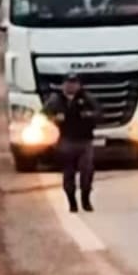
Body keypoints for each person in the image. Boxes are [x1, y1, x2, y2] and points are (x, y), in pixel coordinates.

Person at [43, 73, 101, 213]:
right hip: (66, 141)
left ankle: (85, 198)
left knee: (86, 170)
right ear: (64, 85)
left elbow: (99, 112)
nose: (72, 86)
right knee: (68, 173)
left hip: (84, 140)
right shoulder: (56, 100)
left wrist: (88, 116)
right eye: (69, 83)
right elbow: (44, 113)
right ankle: (72, 202)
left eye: (74, 83)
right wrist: (55, 118)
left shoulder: (87, 98)